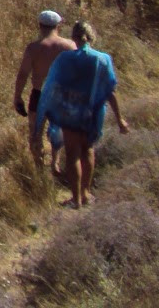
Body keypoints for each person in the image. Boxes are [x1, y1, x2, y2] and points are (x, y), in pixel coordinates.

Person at [39, 20, 130, 208]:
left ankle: (76, 199)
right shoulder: (102, 59)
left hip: (70, 111)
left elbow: (53, 86)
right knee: (88, 149)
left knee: (72, 154)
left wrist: (47, 112)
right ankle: (86, 193)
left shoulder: (65, 59)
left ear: (73, 37)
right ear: (91, 37)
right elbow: (109, 91)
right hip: (92, 113)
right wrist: (120, 118)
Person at [13, 9, 75, 169]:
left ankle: (39, 165)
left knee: (35, 132)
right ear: (58, 25)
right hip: (62, 94)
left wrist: (17, 96)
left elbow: (23, 74)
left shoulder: (33, 48)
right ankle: (55, 162)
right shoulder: (69, 45)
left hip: (39, 94)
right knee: (59, 129)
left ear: (40, 25)